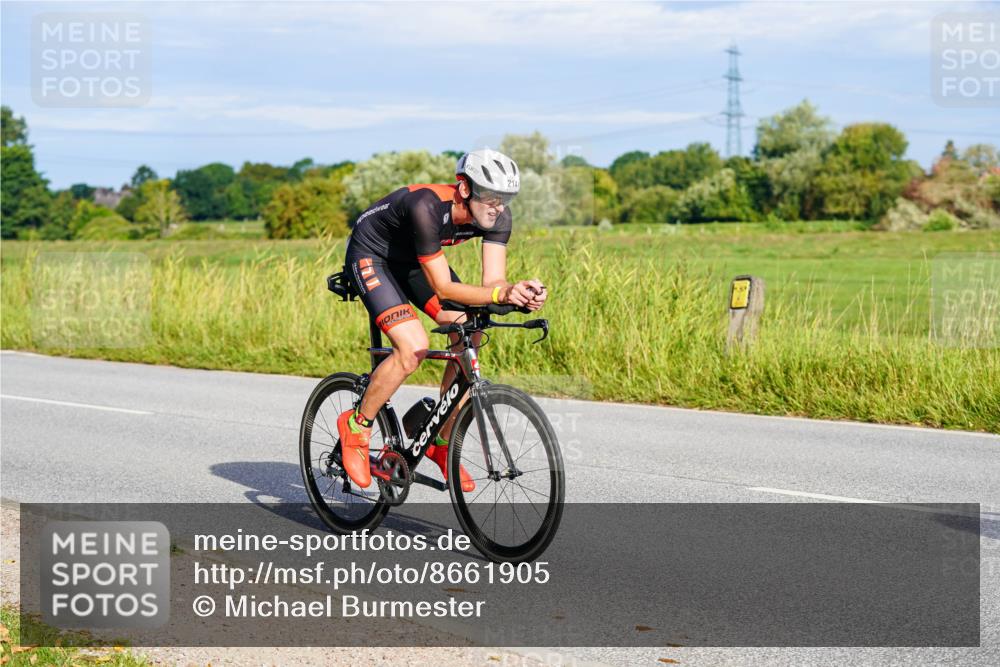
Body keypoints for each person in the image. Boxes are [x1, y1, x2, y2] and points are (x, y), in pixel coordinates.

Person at [337, 149, 547, 491]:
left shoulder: (499, 218)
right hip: (373, 255)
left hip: (414, 260)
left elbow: (492, 284)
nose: (499, 206)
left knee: (469, 327)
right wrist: (501, 296)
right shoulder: (426, 206)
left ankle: (441, 441)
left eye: (506, 198)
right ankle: (357, 425)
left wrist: (516, 292)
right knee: (413, 346)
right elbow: (443, 286)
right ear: (464, 189)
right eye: (491, 197)